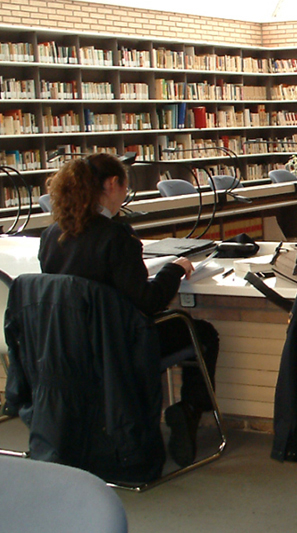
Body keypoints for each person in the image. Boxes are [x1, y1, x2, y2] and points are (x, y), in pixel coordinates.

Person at [38, 152, 219, 468]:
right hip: (121, 346)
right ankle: (188, 410)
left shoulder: (51, 236)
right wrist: (173, 270)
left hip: (71, 348)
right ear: (111, 184)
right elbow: (148, 302)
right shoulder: (116, 237)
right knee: (201, 333)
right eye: (125, 187)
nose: (125, 195)